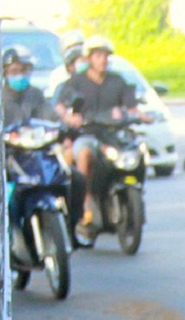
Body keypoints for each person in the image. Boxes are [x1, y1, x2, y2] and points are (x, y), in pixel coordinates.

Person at [58, 35, 139, 235]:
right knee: (84, 153)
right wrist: (70, 118)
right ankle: (85, 203)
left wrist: (141, 116)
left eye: (105, 56)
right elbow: (60, 105)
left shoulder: (117, 80)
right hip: (87, 135)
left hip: (112, 136)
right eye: (98, 56)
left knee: (135, 151)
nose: (103, 60)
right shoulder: (77, 82)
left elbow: (132, 107)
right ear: (89, 58)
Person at [2, 45, 52, 128]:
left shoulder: (36, 95)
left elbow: (48, 119)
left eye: (24, 70)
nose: (20, 75)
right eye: (14, 71)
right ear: (5, 73)